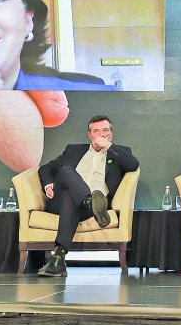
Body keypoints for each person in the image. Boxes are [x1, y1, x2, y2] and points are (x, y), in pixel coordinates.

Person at [36, 115, 139, 276]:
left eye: (105, 131)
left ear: (111, 134)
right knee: (66, 170)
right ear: (89, 135)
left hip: (90, 208)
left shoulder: (120, 153)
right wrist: (48, 184)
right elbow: (45, 169)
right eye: (96, 131)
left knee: (70, 198)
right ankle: (89, 200)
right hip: (62, 202)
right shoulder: (73, 150)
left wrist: (108, 146)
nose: (101, 134)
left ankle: (58, 257)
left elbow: (133, 164)